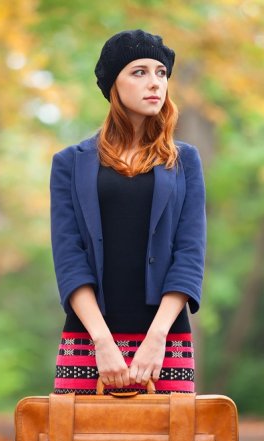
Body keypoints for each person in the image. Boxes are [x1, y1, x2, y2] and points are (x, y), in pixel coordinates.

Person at [50, 29, 206, 395]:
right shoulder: (69, 164)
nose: (154, 83)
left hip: (165, 339)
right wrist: (101, 342)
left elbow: (190, 254)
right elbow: (69, 258)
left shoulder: (185, 162)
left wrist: (157, 338)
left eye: (161, 73)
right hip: (88, 339)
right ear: (112, 86)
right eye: (139, 72)